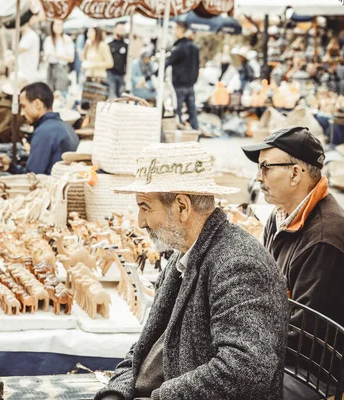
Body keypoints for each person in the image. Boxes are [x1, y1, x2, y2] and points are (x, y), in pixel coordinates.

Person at [95, 142, 289, 400]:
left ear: (182, 207)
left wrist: (162, 397)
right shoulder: (184, 256)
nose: (140, 222)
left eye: (145, 207)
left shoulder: (238, 264)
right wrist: (116, 392)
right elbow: (145, 346)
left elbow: (246, 369)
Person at [241, 127, 344, 399]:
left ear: (295, 173)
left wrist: (243, 343)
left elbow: (306, 336)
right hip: (284, 354)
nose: (258, 176)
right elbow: (263, 290)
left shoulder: (326, 238)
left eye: (265, 167)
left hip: (315, 370)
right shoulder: (280, 217)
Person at [8, 82, 79, 175]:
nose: (22, 113)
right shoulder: (67, 127)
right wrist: (10, 167)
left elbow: (32, 176)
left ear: (37, 104)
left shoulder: (44, 132)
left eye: (23, 106)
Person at [165, 22, 199, 130]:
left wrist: (147, 78)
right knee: (192, 112)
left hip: (179, 85)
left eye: (175, 29)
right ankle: (195, 134)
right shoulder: (194, 47)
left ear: (180, 30)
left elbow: (166, 63)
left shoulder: (179, 48)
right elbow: (197, 66)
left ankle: (179, 136)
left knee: (178, 111)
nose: (173, 31)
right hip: (190, 85)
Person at [43, 20, 74, 93]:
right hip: (50, 67)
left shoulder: (67, 39)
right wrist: (46, 57)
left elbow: (71, 58)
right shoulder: (48, 40)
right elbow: (45, 56)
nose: (58, 27)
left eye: (60, 25)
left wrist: (57, 56)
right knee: (49, 92)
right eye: (56, 25)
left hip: (61, 67)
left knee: (61, 92)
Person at [107, 22, 128, 99]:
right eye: (120, 29)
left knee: (121, 95)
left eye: (123, 29)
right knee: (112, 95)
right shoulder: (109, 44)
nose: (121, 31)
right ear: (115, 30)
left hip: (121, 74)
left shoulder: (126, 45)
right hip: (110, 73)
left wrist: (126, 74)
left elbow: (127, 61)